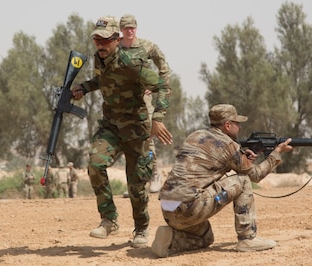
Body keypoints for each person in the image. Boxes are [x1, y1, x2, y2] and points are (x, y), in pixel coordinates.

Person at [71, 15, 172, 248]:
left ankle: (141, 228)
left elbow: (162, 86)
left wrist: (157, 117)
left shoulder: (132, 63)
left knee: (136, 183)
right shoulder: (100, 60)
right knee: (95, 164)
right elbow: (103, 81)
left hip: (136, 129)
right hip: (111, 126)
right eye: (96, 40)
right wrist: (84, 87)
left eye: (105, 40)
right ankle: (109, 219)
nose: (100, 44)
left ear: (116, 39)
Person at [151, 104, 293, 258]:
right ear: (227, 125)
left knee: (206, 238)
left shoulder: (195, 135)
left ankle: (171, 238)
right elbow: (255, 175)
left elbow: (209, 160)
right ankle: (247, 238)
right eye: (237, 123)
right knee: (243, 180)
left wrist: (241, 156)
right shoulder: (229, 145)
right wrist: (276, 154)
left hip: (168, 207)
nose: (239, 127)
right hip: (190, 206)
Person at [119, 14, 171, 193]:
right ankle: (138, 181)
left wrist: (156, 87)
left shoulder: (147, 46)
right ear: (121, 29)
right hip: (124, 102)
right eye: (126, 27)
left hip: (143, 99)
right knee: (129, 140)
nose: (129, 30)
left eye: (132, 27)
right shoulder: (116, 48)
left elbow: (163, 66)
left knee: (147, 134)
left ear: (136, 28)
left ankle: (155, 173)